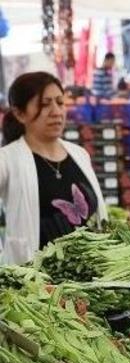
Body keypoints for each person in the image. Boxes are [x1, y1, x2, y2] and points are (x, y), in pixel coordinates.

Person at [0, 72, 107, 264]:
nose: (56, 111)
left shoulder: (79, 155)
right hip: (37, 285)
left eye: (60, 102)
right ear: (20, 113)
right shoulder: (7, 160)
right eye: (45, 104)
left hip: (91, 280)